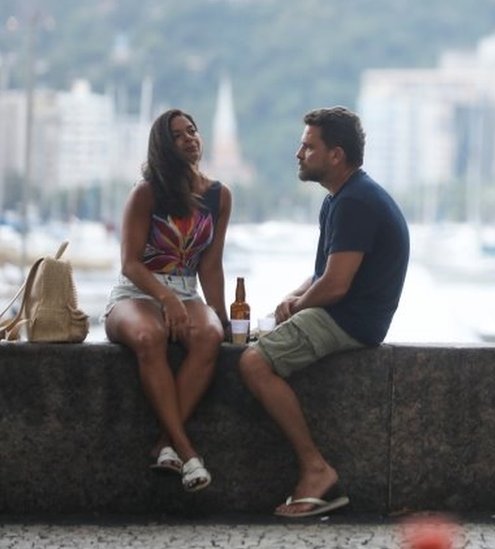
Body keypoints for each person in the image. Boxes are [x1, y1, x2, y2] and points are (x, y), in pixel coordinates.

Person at [237, 106, 409, 518]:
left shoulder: (356, 202)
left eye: (308, 146)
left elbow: (335, 286)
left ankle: (316, 469)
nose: (299, 153)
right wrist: (293, 298)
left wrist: (298, 306)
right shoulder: (342, 198)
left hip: (351, 319)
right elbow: (322, 274)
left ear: (336, 155)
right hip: (344, 311)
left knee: (254, 362)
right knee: (260, 340)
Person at [104, 108, 233, 492]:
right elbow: (129, 263)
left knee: (208, 336)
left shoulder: (218, 195)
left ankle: (164, 444)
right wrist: (165, 300)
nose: (189, 138)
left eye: (192, 130)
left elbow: (210, 266)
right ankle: (188, 451)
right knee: (149, 338)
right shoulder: (146, 192)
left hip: (185, 290)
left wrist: (223, 317)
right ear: (163, 145)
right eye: (178, 135)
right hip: (138, 291)